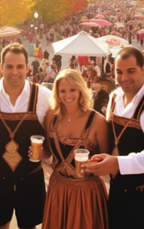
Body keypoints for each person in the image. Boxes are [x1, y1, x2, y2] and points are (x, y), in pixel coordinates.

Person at [85, 46, 144, 229]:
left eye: (131, 71)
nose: (124, 78)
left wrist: (118, 164)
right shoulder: (115, 96)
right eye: (119, 72)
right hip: (119, 191)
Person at [0, 43, 52, 229]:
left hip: (31, 178)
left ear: (28, 68)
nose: (15, 72)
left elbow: (51, 139)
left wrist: (45, 153)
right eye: (9, 66)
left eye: (20, 66)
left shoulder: (44, 96)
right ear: (1, 67)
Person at [41, 69, 109, 229]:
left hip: (86, 195)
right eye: (62, 91)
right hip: (57, 190)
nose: (68, 95)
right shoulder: (50, 115)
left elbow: (106, 164)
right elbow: (48, 152)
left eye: (73, 89)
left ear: (81, 90)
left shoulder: (98, 121)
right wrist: (37, 154)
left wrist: (93, 165)